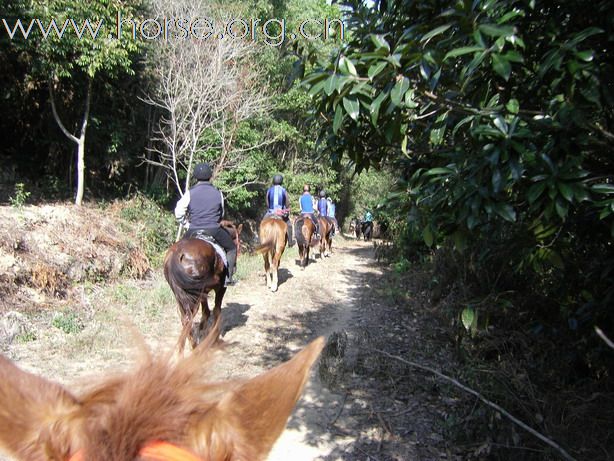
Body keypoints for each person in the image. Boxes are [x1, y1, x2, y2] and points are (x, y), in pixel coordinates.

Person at [174, 162, 237, 285]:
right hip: (214, 229)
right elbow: (221, 212)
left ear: (195, 176)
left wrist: (186, 224)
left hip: (193, 230)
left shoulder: (190, 192)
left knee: (178, 250)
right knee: (231, 248)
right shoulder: (218, 193)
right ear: (210, 175)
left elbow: (178, 211)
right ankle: (228, 279)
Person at [264, 174, 293, 246]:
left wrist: (270, 208)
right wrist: (286, 209)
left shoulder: (269, 190)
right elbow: (287, 203)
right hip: (280, 213)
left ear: (273, 181)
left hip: (270, 212)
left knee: (262, 223)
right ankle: (290, 242)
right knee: (289, 225)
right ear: (281, 181)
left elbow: (267, 203)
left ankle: (261, 241)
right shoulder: (283, 190)